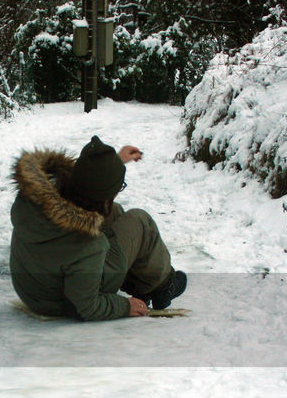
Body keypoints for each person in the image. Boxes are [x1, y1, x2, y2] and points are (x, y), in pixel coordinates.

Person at [9, 135, 187, 320]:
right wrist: (124, 306)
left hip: (32, 290)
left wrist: (114, 163)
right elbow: (87, 306)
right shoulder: (87, 245)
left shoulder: (32, 194)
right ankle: (163, 288)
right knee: (140, 222)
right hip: (60, 303)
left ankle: (138, 281)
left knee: (115, 212)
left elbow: (87, 180)